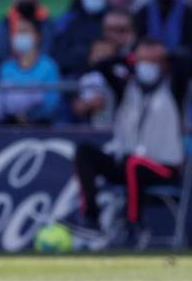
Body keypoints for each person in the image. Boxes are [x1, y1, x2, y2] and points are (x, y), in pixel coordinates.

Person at [72, 38, 184, 248]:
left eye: (152, 60)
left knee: (134, 163)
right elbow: (100, 66)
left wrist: (161, 55)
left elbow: (186, 62)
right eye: (142, 60)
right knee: (85, 151)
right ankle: (90, 217)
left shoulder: (174, 87)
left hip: (162, 165)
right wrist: (129, 57)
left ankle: (134, 225)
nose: (147, 65)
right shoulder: (125, 88)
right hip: (128, 161)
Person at [0, 15, 62, 124]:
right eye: (17, 32)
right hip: (11, 125)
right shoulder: (6, 68)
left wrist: (29, 116)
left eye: (25, 31)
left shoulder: (49, 66)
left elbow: (52, 102)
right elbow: (2, 101)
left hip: (43, 125)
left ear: (37, 36)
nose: (20, 35)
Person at [52, 0, 111, 77]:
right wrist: (88, 55)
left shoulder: (117, 20)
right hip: (77, 77)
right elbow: (60, 56)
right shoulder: (69, 22)